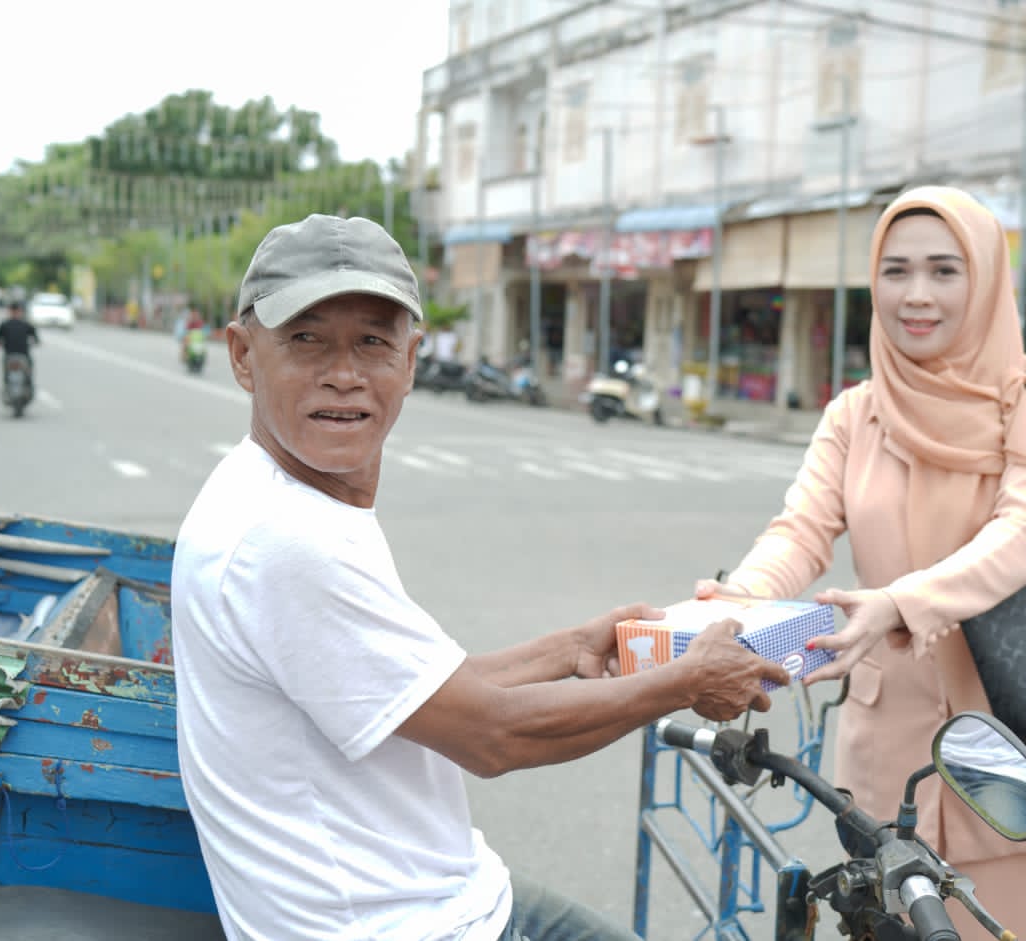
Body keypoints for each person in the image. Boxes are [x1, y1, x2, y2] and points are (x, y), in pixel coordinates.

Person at [170, 213, 791, 941]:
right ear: (244, 355)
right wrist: (683, 682)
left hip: (434, 894)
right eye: (306, 338)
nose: (343, 372)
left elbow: (420, 687)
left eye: (372, 340)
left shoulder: (272, 491)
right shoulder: (286, 540)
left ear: (410, 359)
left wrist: (569, 648)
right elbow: (492, 737)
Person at [694, 186, 1026, 941]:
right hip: (886, 761)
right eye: (895, 270)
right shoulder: (856, 411)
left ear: (983, 279)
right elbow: (801, 529)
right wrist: (739, 598)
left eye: (944, 271)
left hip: (1012, 754)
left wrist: (896, 603)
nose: (916, 295)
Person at [0, 299, 39, 382]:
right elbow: (36, 339)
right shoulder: (26, 324)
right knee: (28, 371)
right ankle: (29, 384)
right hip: (23, 354)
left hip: (9, 354)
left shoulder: (4, 324)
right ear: (20, 311)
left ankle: (7, 383)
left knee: (6, 371)